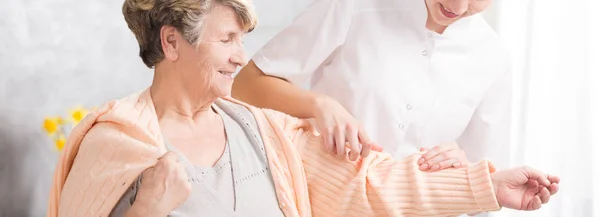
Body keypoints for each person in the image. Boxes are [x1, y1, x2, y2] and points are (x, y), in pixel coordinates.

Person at [46, 0, 559, 216]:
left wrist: (487, 185)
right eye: (227, 39)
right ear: (173, 42)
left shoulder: (265, 134)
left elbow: (367, 181)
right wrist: (145, 212)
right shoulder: (116, 143)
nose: (242, 56)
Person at [232, 0, 512, 175]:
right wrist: (321, 105)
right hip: (323, 198)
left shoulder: (493, 56)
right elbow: (245, 85)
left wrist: (461, 164)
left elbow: (486, 180)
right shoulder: (354, 6)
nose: (459, 7)